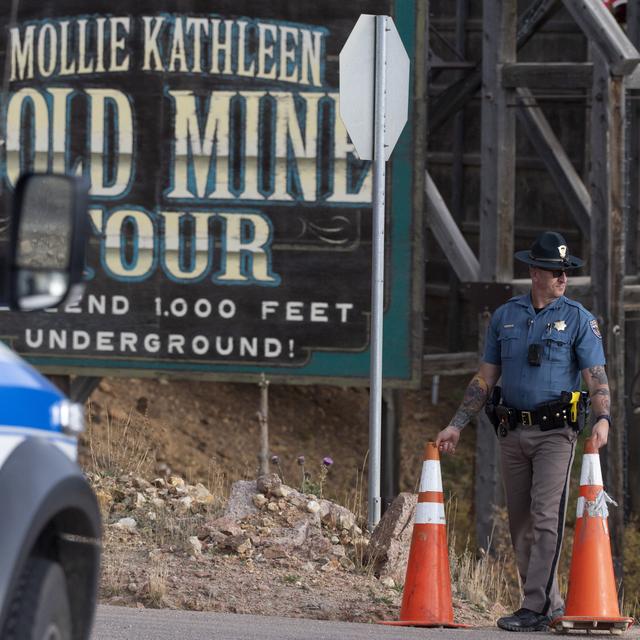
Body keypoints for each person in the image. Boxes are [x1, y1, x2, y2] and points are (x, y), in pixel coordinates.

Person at [435, 231, 610, 632]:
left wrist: (603, 419)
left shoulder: (580, 320)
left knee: (546, 516)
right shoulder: (506, 316)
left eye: (566, 271)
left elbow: (596, 378)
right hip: (512, 430)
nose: (563, 278)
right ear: (535, 272)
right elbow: (484, 378)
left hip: (555, 434)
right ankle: (546, 603)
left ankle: (535, 606)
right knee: (520, 521)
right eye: (555, 271)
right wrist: (457, 424)